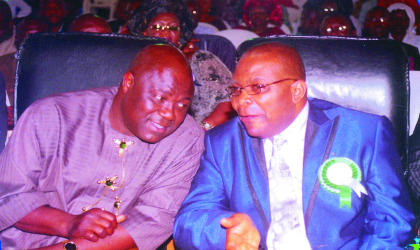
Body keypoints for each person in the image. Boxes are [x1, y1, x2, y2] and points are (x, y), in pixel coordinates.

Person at [173, 42, 415, 249]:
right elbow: (189, 220)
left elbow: (393, 220)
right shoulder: (223, 142)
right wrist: (225, 233)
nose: (241, 101)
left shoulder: (363, 133)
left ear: (297, 91)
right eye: (236, 90)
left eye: (257, 88)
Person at [0, 44, 204, 249]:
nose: (170, 114)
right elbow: (9, 196)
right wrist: (68, 223)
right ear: (128, 82)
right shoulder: (52, 116)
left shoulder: (186, 139)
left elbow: (155, 219)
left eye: (182, 105)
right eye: (161, 98)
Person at [126, 0, 235, 130]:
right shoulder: (134, 64)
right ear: (145, 32)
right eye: (158, 27)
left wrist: (200, 131)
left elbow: (230, 99)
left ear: (180, 34)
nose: (166, 32)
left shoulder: (201, 60)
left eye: (172, 27)